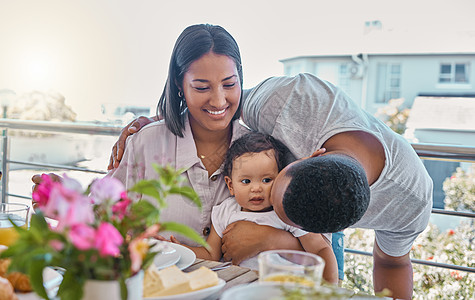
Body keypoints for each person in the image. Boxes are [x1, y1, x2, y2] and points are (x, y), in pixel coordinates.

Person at [109, 73, 433, 299]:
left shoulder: (410, 200)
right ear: (308, 155)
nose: (260, 195)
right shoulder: (289, 101)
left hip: (312, 253)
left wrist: (274, 237)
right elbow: (220, 106)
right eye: (273, 187)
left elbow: (392, 262)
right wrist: (161, 123)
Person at [160, 132, 338, 284]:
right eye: (246, 181)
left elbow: (320, 249)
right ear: (230, 185)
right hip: (240, 289)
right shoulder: (225, 212)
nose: (256, 188)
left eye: (267, 180)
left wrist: (330, 289)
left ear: (280, 179)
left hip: (283, 290)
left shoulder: (287, 213)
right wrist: (179, 250)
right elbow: (210, 254)